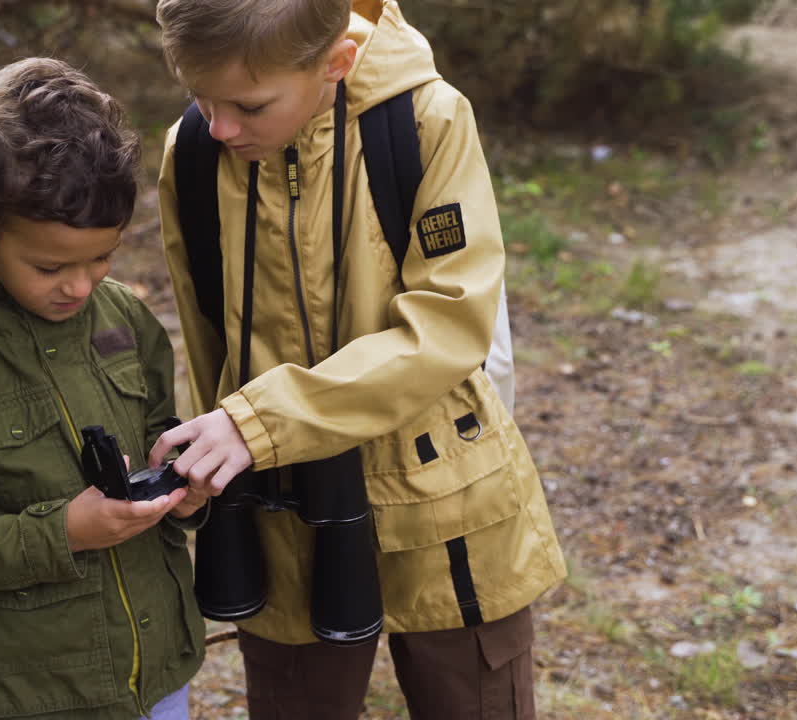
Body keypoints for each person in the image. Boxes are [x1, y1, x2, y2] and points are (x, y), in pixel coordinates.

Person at [149, 1, 568, 718]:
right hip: (281, 515)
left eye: (248, 104)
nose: (220, 126)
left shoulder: (425, 121)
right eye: (200, 97)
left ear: (334, 64)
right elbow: (209, 339)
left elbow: (448, 322)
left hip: (445, 508)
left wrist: (257, 421)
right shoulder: (193, 153)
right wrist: (210, 460)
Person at [0, 57, 207, 720]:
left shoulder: (125, 319)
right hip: (34, 696)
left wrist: (183, 488)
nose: (81, 287)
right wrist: (63, 533)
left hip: (163, 672)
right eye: (50, 265)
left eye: (102, 256)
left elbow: (156, 445)